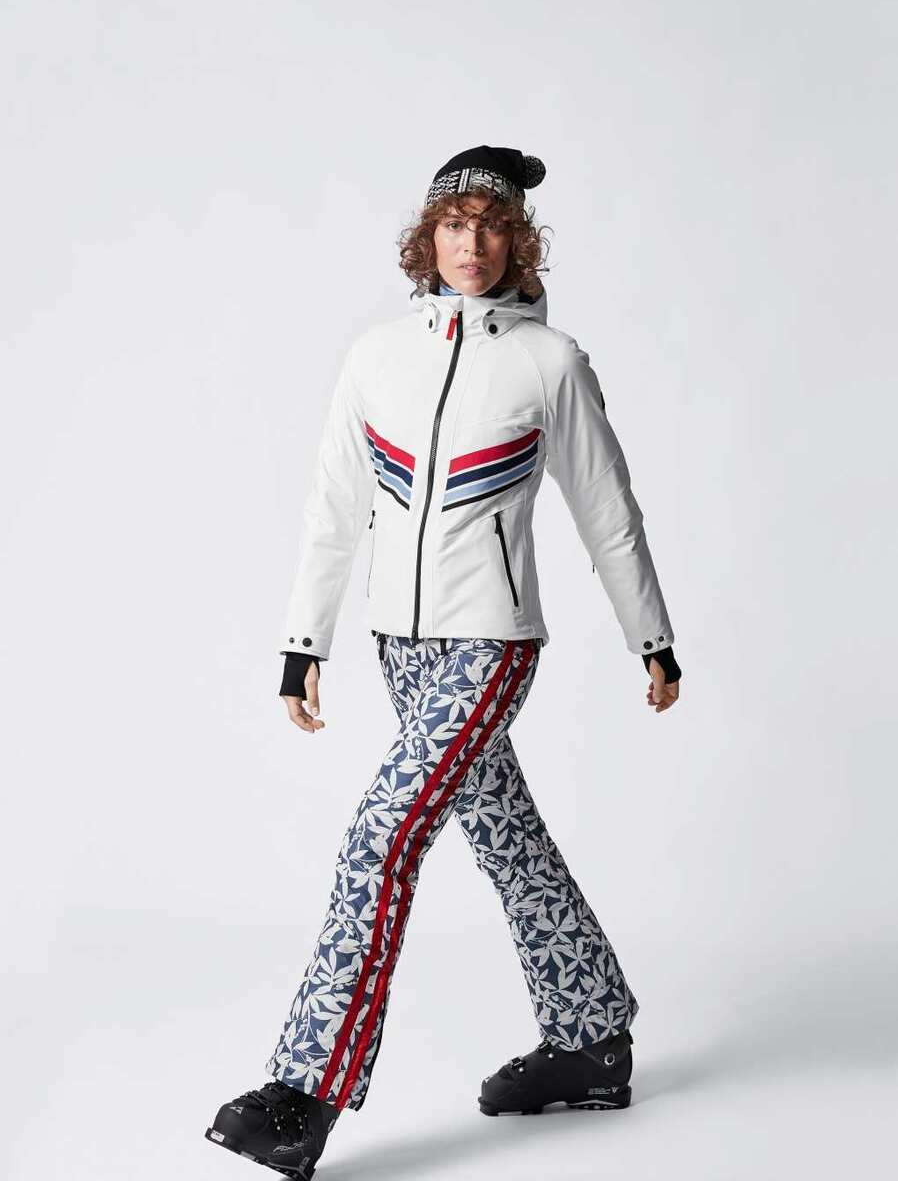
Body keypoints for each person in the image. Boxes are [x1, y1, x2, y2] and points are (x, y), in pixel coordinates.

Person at [205, 144, 682, 1179]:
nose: (473, 244)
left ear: (519, 242)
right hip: (400, 646)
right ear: (427, 239)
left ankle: (305, 1091)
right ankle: (591, 1035)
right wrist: (304, 641)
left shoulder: (550, 363)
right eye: (455, 225)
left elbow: (607, 511)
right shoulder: (377, 355)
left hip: (490, 643)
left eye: (493, 225)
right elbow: (333, 505)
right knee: (506, 837)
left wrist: (651, 636)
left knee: (382, 836)